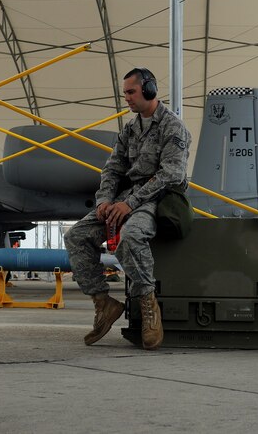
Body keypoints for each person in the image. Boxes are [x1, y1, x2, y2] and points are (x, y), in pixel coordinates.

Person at [64, 67, 191, 350]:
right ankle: (103, 303)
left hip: (157, 199)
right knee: (76, 236)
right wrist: (104, 201)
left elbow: (171, 174)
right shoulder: (130, 130)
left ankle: (149, 307)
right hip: (125, 198)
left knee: (131, 236)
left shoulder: (173, 127)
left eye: (131, 92)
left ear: (149, 89)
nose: (127, 99)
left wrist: (129, 204)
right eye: (125, 93)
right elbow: (112, 169)